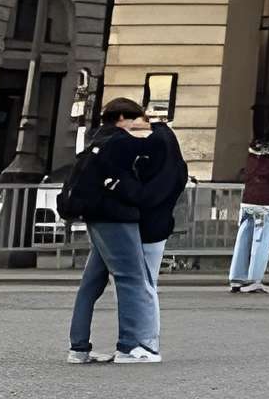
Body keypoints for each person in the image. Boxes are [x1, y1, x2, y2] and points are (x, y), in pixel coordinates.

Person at [64, 101, 167, 364]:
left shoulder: (96, 140)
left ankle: (78, 348)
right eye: (135, 117)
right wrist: (160, 128)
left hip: (95, 216)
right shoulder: (120, 142)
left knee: (92, 283)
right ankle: (129, 346)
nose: (140, 123)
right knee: (131, 279)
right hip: (116, 217)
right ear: (121, 118)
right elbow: (131, 178)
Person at [129, 115, 188, 352]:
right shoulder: (174, 163)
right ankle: (146, 339)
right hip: (160, 224)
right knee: (147, 281)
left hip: (147, 224)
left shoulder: (154, 153)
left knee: (143, 284)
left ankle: (146, 340)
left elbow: (146, 193)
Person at [227, 132, 269, 294]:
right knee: (261, 241)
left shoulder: (251, 160)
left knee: (243, 238)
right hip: (265, 202)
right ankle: (254, 278)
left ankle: (236, 277)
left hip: (248, 200)